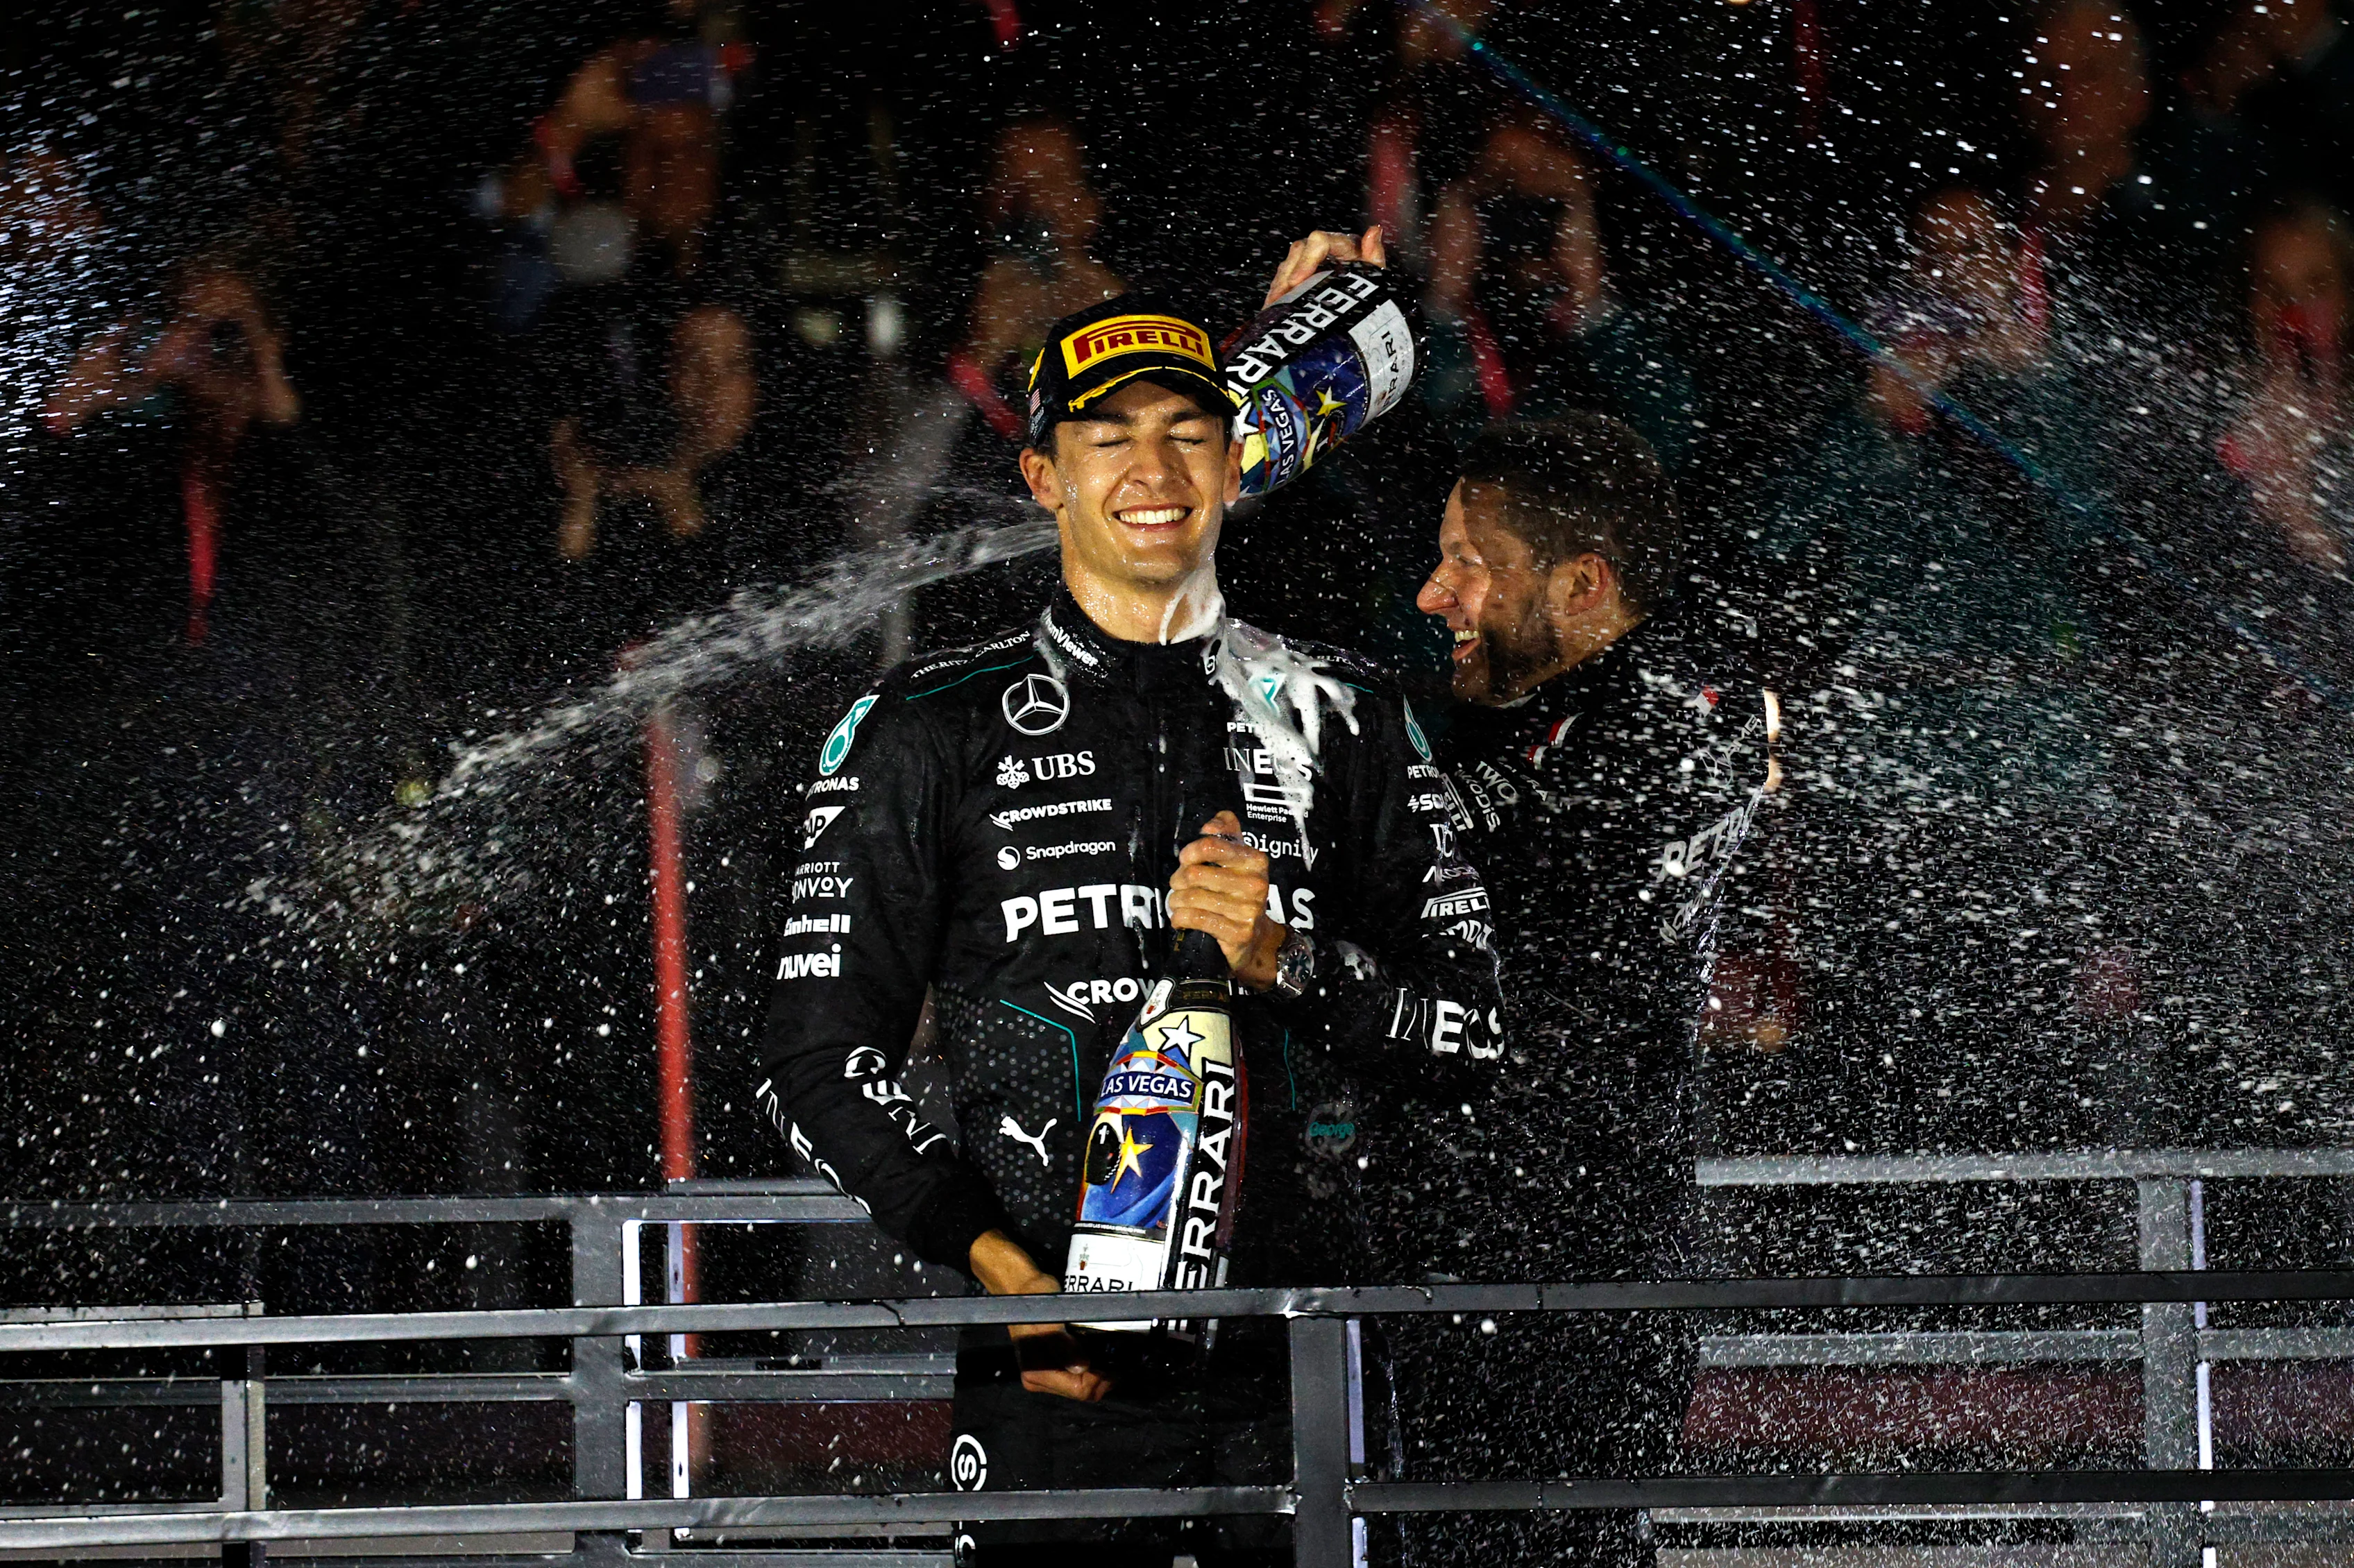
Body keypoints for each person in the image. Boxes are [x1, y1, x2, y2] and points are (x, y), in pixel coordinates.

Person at [755, 237, 1502, 1567]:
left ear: (1235, 460)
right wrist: (1002, 1276)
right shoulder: (928, 730)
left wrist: (1284, 955)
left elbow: (1473, 1041)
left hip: (1305, 1373)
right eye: (1107, 440)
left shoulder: (1348, 716)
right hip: (1047, 1378)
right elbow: (814, 1056)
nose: (1151, 473)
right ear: (1044, 477)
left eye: (1184, 436)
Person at [1396, 413, 1779, 1566]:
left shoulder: (1662, 733)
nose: (1432, 592)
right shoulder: (1507, 718)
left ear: (1581, 583)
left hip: (1573, 1275)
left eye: (1470, 562)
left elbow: (1536, 988)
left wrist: (1295, 959)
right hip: (1452, 1262)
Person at [1421, 109, 1697, 475]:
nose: (1524, 210)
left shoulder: (1650, 309)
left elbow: (1673, 437)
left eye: (1547, 184)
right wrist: (1443, 298)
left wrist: (1591, 300)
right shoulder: (1451, 322)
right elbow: (1389, 450)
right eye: (1502, 184)